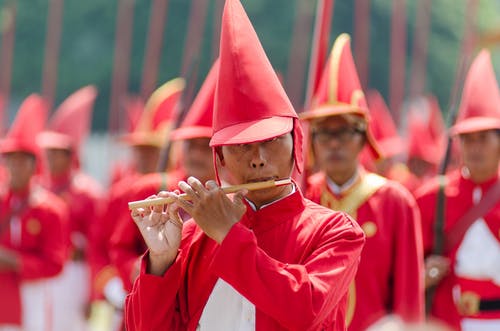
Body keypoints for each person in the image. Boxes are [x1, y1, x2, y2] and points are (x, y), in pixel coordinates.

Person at [125, 1, 365, 330]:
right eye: (241, 146)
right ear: (220, 158)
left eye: (269, 141)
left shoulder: (336, 231)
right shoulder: (194, 236)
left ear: (296, 142)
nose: (257, 158)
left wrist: (227, 234)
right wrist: (161, 262)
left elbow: (305, 309)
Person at [300, 33, 424, 330]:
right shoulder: (303, 198)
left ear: (363, 139)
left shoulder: (395, 201)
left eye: (344, 132)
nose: (334, 144)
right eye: (325, 134)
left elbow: (408, 294)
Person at [109, 59, 219, 294]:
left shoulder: (229, 198)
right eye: (191, 145)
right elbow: (119, 247)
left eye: (205, 146)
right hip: (152, 296)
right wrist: (139, 269)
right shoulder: (150, 187)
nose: (197, 154)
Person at [415, 49, 500, 331]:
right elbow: (405, 267)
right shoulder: (432, 197)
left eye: (483, 138)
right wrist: (422, 276)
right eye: (467, 139)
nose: (474, 148)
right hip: (446, 321)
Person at [37, 85, 103, 331]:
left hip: (74, 272)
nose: (51, 158)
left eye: (57, 153)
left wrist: (92, 293)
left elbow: (96, 244)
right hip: (43, 270)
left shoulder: (88, 193)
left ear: (69, 154)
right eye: (48, 152)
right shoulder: (38, 190)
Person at [0, 95, 68, 331]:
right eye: (10, 160)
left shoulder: (50, 209)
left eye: (21, 161)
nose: (14, 167)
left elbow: (56, 264)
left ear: (33, 165)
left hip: (33, 294)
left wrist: (15, 262)